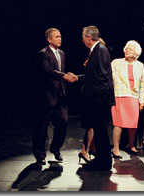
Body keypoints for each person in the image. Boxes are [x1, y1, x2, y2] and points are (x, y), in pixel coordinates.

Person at [32, 28, 77, 165]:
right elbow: (48, 71)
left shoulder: (62, 53)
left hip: (60, 95)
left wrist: (66, 75)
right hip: (46, 96)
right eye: (57, 37)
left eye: (60, 36)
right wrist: (64, 76)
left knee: (63, 123)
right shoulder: (43, 54)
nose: (60, 39)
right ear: (49, 39)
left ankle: (55, 148)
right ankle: (40, 154)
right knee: (42, 127)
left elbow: (60, 72)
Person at [74, 25, 115, 171]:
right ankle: (101, 160)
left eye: (83, 36)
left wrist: (97, 99)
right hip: (97, 99)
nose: (82, 39)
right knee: (99, 131)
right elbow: (93, 76)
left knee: (101, 131)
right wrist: (77, 78)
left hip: (99, 100)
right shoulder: (96, 51)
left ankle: (104, 163)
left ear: (90, 37)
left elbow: (103, 78)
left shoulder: (101, 50)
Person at [111, 40, 144, 158]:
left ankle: (131, 145)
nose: (126, 50)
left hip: (133, 97)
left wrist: (142, 101)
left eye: (129, 49)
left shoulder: (140, 65)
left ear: (136, 52)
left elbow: (142, 84)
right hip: (119, 95)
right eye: (126, 48)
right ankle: (115, 148)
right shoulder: (116, 63)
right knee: (118, 123)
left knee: (132, 123)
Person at [78, 37, 106, 164]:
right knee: (92, 124)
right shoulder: (91, 58)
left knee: (93, 125)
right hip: (90, 95)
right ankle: (86, 150)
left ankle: (88, 150)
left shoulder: (100, 54)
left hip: (95, 95)